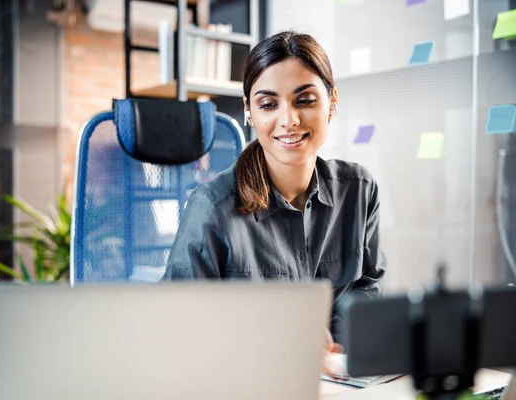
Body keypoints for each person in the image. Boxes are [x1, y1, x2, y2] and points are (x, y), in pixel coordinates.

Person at [162, 31, 386, 373]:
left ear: (333, 102)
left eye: (305, 100)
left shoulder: (359, 191)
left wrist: (337, 355)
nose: (289, 120)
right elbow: (179, 330)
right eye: (268, 104)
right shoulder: (213, 207)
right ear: (249, 112)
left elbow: (365, 293)